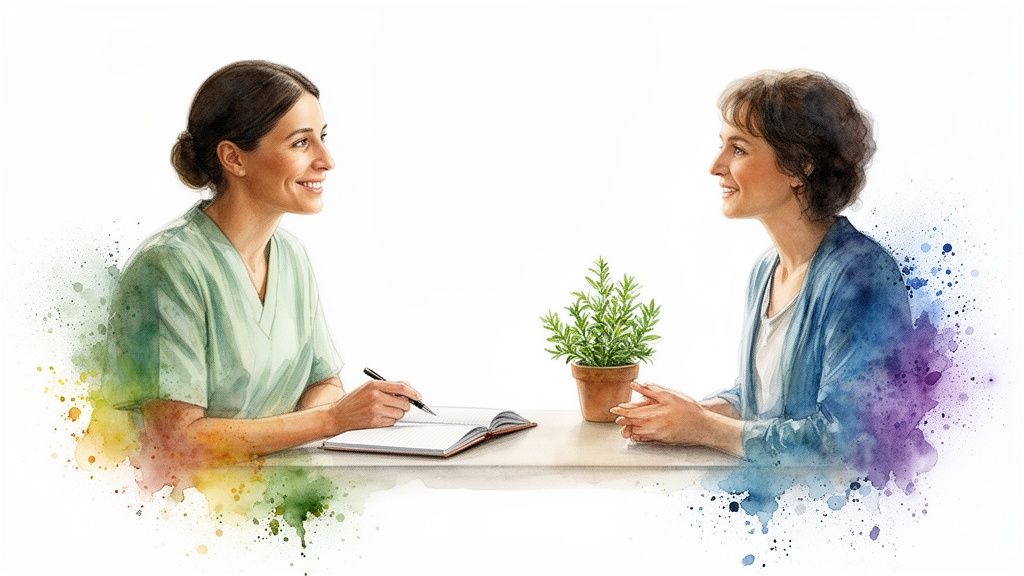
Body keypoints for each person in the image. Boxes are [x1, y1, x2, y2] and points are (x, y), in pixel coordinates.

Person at [103, 60, 422, 470]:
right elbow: (176, 440)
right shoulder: (169, 266)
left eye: (321, 138)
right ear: (234, 159)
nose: (327, 160)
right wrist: (331, 419)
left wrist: (334, 412)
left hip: (277, 489)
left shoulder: (290, 256)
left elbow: (323, 381)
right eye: (301, 143)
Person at [611, 70, 911, 464]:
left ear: (799, 167)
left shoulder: (862, 277)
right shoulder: (766, 271)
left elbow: (848, 441)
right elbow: (767, 402)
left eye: (738, 149)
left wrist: (701, 426)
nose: (716, 166)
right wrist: (686, 414)